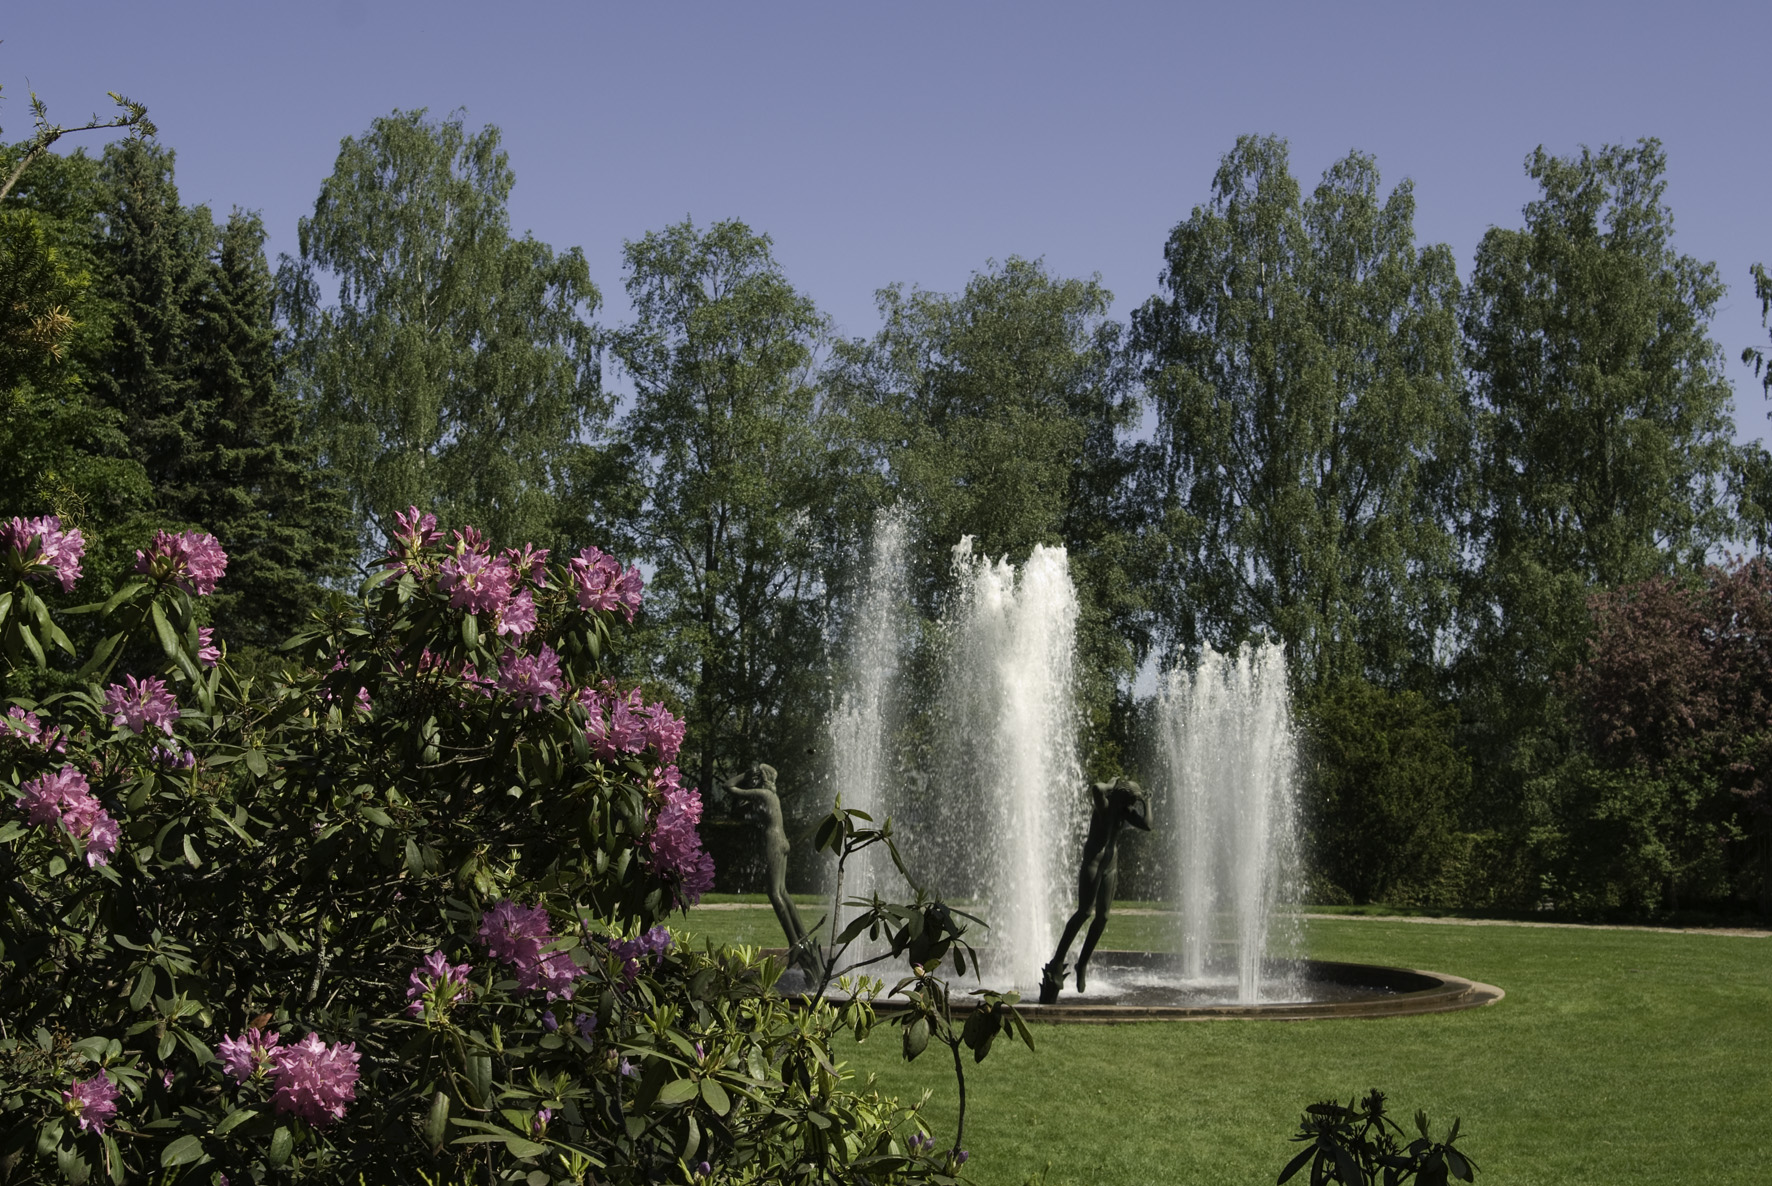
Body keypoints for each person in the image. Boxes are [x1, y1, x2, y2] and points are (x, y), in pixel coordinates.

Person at [1039, 777, 1152, 1004]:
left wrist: (1146, 802)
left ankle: (1082, 964)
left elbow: (1148, 825)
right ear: (1121, 797)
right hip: (1093, 862)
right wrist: (1114, 784)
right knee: (1084, 912)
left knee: (1103, 917)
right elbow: (1097, 788)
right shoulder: (1105, 807)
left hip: (1110, 865)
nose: (1132, 806)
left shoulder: (1125, 812)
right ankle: (1058, 960)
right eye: (1130, 800)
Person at [723, 763, 822, 979]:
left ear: (761, 778)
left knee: (774, 893)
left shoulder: (763, 794)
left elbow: (728, 786)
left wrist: (746, 774)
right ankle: (802, 939)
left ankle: (794, 943)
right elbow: (740, 808)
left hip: (773, 841)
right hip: (783, 841)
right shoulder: (769, 797)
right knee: (783, 892)